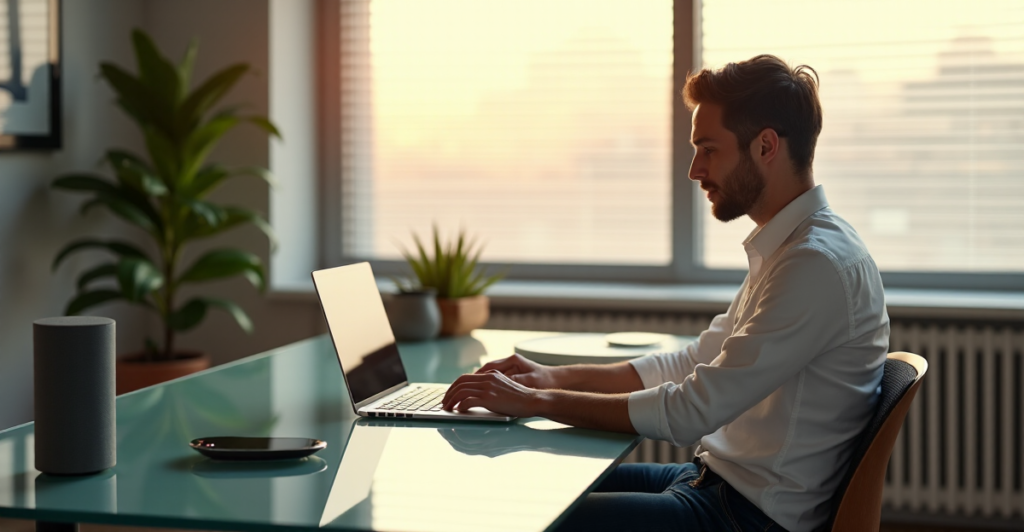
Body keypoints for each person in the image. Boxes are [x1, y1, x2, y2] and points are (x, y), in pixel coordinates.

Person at [441, 54, 889, 532]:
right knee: (546, 483)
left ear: (765, 146)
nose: (695, 170)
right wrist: (550, 378)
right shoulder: (792, 247)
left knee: (539, 520)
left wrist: (535, 403)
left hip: (746, 517)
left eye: (709, 149)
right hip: (712, 482)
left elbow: (691, 410)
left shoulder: (814, 264)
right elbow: (691, 362)